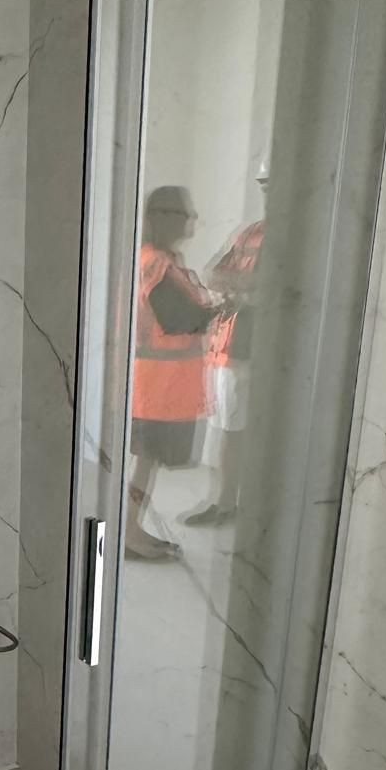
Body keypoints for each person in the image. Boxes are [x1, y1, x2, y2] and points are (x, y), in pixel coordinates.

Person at [126, 186, 230, 562]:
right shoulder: (156, 264)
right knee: (145, 463)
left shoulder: (160, 261)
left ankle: (131, 528)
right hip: (157, 386)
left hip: (157, 385)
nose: (192, 220)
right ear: (165, 218)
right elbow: (180, 319)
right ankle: (129, 533)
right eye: (186, 214)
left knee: (146, 464)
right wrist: (222, 307)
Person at [186, 163, 268, 527]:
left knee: (247, 432)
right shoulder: (250, 231)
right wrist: (243, 286)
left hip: (258, 348)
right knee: (226, 430)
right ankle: (223, 503)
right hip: (230, 345)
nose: (268, 192)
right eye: (265, 185)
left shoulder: (295, 235)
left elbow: (274, 285)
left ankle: (236, 505)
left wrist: (238, 285)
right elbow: (210, 272)